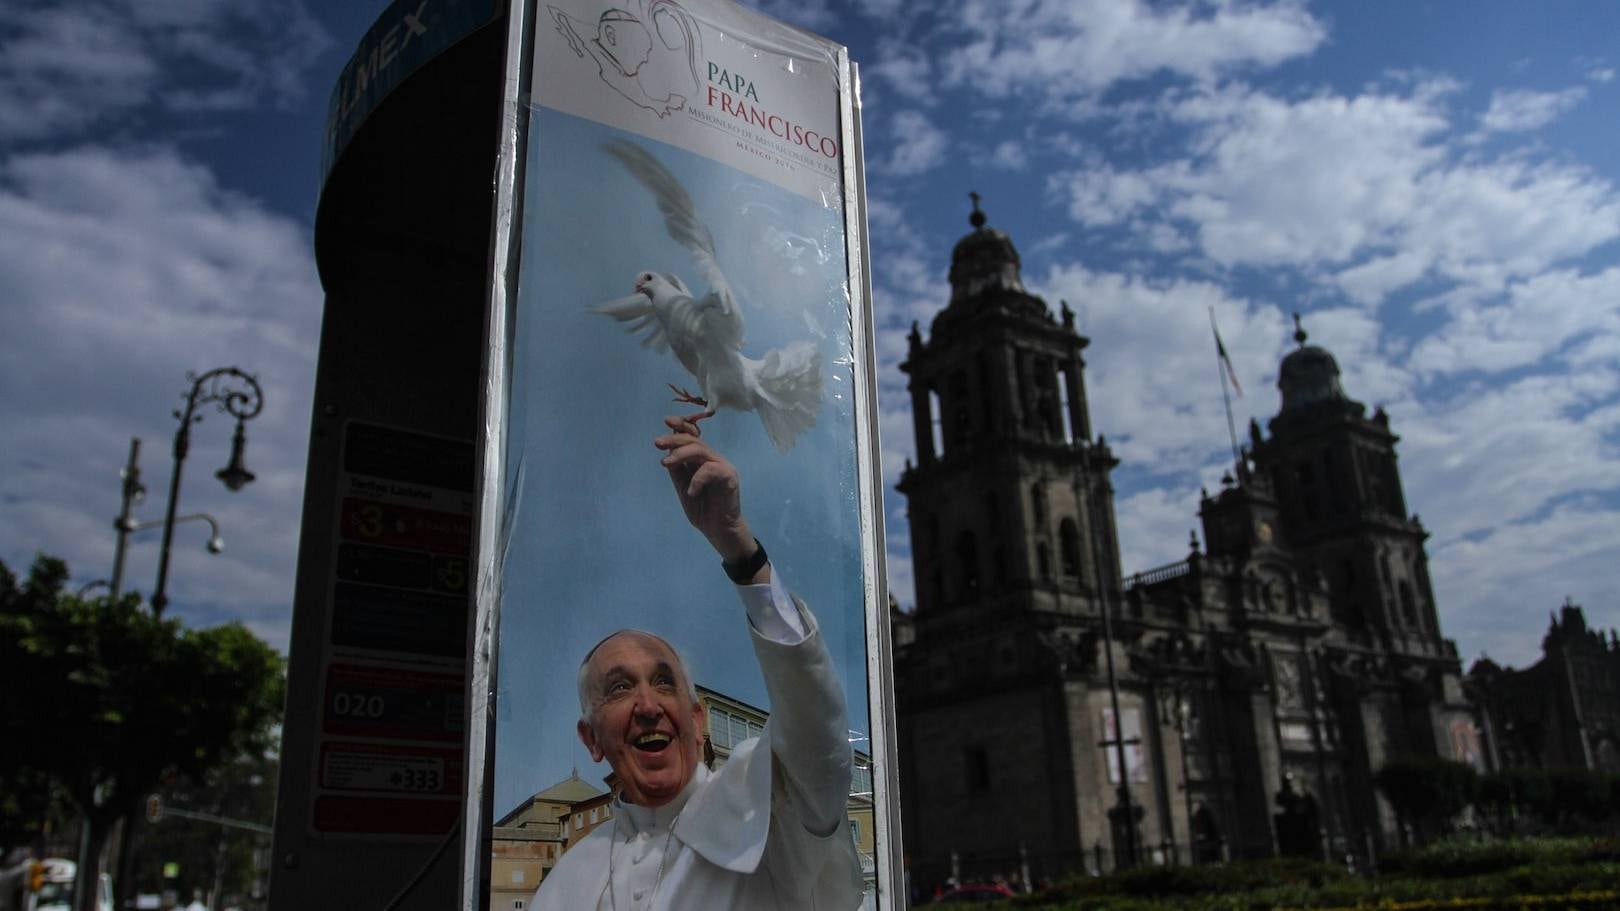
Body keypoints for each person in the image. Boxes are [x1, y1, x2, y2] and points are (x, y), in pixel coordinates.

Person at [530, 415, 864, 910]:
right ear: (591, 740)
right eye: (619, 689)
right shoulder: (565, 881)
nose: (647, 705)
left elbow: (820, 740)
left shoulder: (765, 809)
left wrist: (737, 546)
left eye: (664, 683)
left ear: (699, 719)